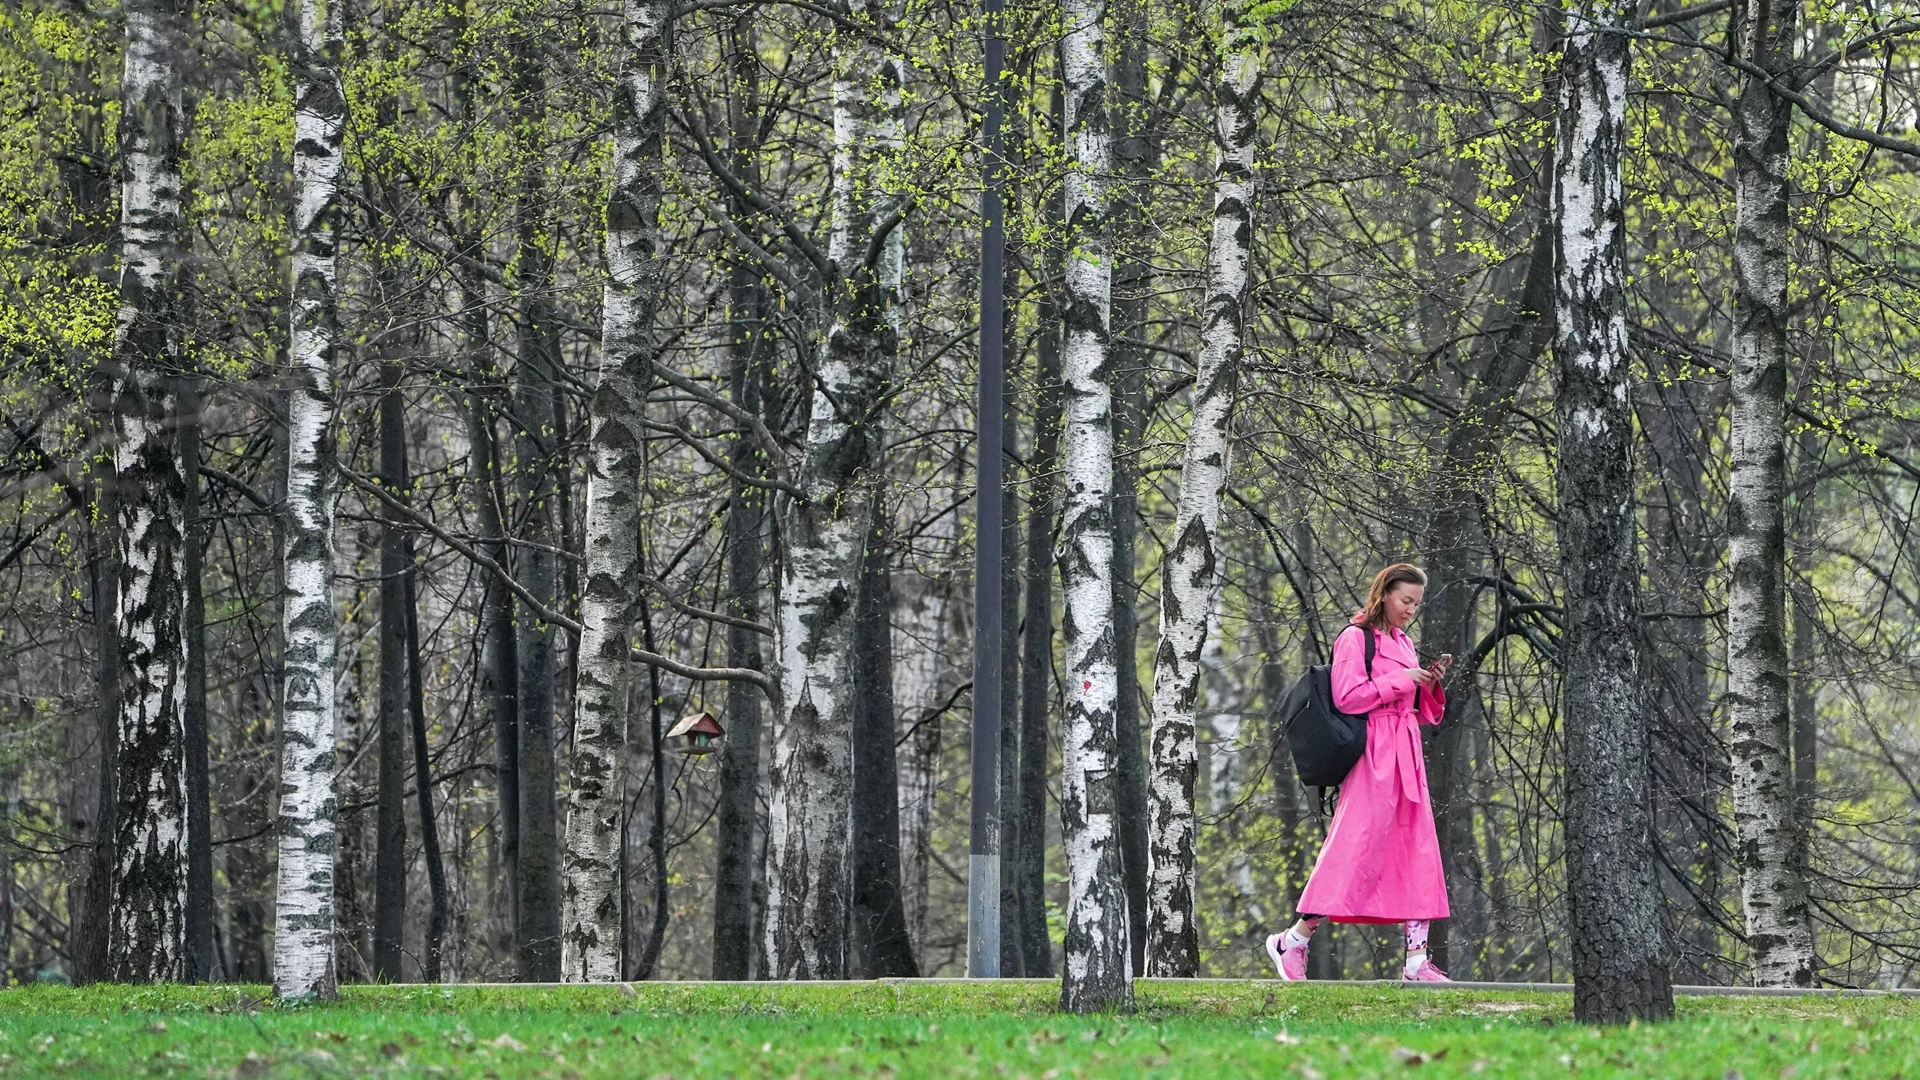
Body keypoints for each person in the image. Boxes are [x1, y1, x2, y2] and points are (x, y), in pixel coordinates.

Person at [1267, 563, 1454, 982]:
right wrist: (1403, 679)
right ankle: (1293, 940)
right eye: (1405, 600)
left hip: (1406, 755)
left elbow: (1418, 711)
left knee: (1417, 852)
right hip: (1374, 758)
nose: (1410, 610)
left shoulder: (1403, 641)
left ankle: (1416, 962)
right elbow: (1348, 698)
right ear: (1384, 593)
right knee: (1353, 851)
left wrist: (1428, 684)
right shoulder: (1355, 639)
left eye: (1416, 604)